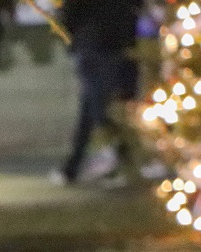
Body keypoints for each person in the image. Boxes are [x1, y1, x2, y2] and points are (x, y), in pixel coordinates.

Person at [51, 0, 144, 185]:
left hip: (97, 41)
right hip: (112, 40)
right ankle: (114, 158)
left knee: (97, 105)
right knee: (96, 103)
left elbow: (70, 11)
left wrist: (71, 36)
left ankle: (112, 157)